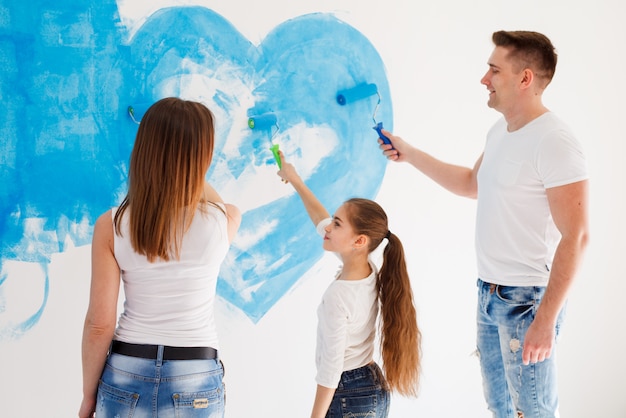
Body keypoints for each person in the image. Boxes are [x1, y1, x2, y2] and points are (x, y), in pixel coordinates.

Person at [379, 31, 589, 417]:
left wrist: (546, 320)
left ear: (525, 79)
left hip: (526, 302)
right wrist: (408, 153)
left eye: (494, 69)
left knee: (533, 411)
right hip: (489, 294)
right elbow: (470, 183)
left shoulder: (555, 141)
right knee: (502, 410)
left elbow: (576, 236)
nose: (484, 79)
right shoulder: (501, 133)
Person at [78, 97, 241, 418]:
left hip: (126, 372)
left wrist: (88, 396)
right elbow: (204, 190)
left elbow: (99, 325)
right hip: (195, 375)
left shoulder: (111, 224)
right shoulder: (224, 221)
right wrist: (187, 155)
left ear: (144, 149)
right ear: (204, 157)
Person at [276, 151, 421, 418]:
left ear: (359, 242)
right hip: (371, 385)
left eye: (337, 223)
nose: (329, 227)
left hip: (347, 394)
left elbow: (332, 367)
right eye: (333, 219)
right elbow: (321, 222)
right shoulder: (369, 272)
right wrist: (295, 179)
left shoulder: (339, 295)